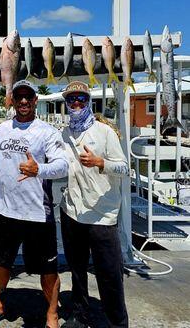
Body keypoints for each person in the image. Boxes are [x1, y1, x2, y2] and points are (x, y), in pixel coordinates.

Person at [0, 80, 68, 328]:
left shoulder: (48, 131)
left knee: (49, 270)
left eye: (27, 97)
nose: (22, 101)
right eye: (18, 96)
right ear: (12, 100)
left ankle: (51, 313)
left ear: (35, 100)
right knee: (0, 263)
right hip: (6, 210)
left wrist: (38, 168)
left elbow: (62, 165)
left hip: (38, 213)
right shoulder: (1, 129)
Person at [59, 81, 129, 328]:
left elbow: (125, 168)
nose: (76, 103)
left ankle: (117, 322)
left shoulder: (105, 131)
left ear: (88, 101)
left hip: (102, 217)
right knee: (76, 272)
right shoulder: (64, 134)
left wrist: (101, 162)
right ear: (66, 104)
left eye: (80, 98)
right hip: (71, 212)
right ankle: (80, 314)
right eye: (71, 99)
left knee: (109, 275)